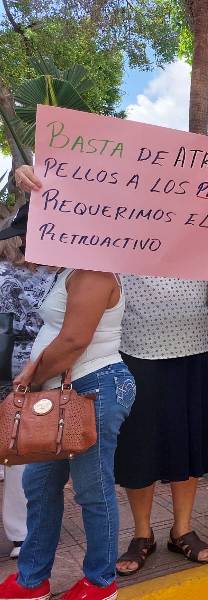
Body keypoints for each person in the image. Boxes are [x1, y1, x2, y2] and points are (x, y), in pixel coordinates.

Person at [12, 165, 208, 576]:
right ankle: (142, 534)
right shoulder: (113, 231)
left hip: (196, 351)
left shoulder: (207, 231)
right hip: (134, 354)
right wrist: (34, 177)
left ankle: (183, 530)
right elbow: (73, 200)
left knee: (188, 445)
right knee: (139, 450)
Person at [0, 196, 134, 600]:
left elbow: (75, 339)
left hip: (93, 387)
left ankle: (100, 582)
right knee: (40, 487)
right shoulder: (69, 271)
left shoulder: (92, 271)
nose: (25, 246)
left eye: (28, 237)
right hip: (64, 390)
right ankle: (32, 579)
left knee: (93, 490)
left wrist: (29, 377)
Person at [0, 211, 55, 561]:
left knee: (24, 450)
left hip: (39, 364)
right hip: (28, 364)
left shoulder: (57, 274)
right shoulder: (55, 276)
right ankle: (22, 531)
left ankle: (24, 530)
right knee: (23, 450)